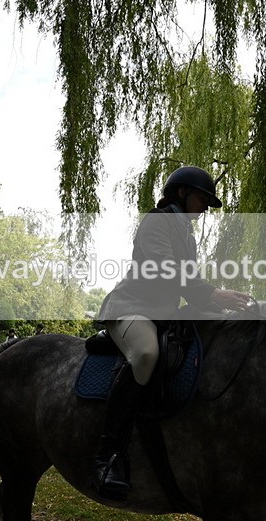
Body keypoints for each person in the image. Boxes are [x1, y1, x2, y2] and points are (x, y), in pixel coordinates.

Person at [90, 165, 251, 500]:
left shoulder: (185, 233)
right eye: (203, 199)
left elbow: (187, 282)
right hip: (131, 307)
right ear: (182, 193)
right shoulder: (157, 222)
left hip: (163, 312)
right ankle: (106, 456)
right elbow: (166, 271)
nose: (206, 207)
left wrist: (222, 303)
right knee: (147, 354)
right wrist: (209, 294)